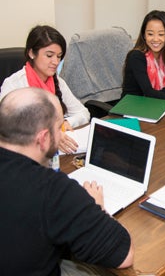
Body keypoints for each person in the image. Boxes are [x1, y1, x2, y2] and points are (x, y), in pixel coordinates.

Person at [0, 87, 134, 275]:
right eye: (59, 128)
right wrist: (97, 208)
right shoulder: (53, 189)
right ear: (44, 138)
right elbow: (124, 256)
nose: (62, 134)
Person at [0, 25, 90, 154]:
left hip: (58, 152)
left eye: (59, 56)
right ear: (31, 53)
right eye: (49, 55)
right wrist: (52, 133)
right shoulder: (14, 84)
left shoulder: (57, 81)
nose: (55, 62)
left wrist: (65, 122)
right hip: (26, 153)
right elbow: (8, 130)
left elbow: (83, 113)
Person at [121, 10, 165, 107]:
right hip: (131, 108)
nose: (155, 39)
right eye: (150, 34)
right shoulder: (136, 57)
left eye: (161, 34)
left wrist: (160, 92)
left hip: (153, 105)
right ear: (144, 35)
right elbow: (148, 92)